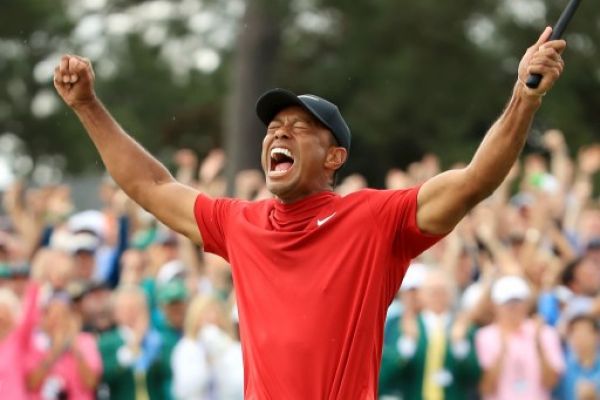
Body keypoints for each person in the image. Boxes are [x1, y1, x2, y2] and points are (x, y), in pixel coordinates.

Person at [53, 26, 566, 398]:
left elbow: (476, 181)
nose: (278, 132)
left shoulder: (375, 219)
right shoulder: (241, 223)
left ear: (335, 157)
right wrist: (87, 107)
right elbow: (151, 184)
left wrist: (524, 96)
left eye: (299, 127)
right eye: (274, 126)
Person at [379, 268, 480, 400]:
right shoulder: (405, 326)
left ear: (451, 294)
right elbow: (386, 377)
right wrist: (407, 345)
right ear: (422, 295)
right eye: (433, 292)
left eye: (442, 291)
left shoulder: (463, 328)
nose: (438, 296)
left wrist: (460, 345)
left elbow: (475, 377)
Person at [475, 275, 565, 400]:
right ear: (494, 305)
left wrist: (538, 345)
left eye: (517, 302)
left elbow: (551, 383)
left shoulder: (545, 333)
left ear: (527, 303)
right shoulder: (484, 336)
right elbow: (486, 388)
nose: (513, 308)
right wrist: (502, 351)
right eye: (507, 303)